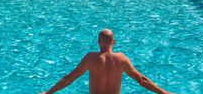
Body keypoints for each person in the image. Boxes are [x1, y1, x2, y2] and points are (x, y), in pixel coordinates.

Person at [41, 29, 171, 94]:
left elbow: (68, 79)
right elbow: (142, 80)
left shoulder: (90, 58)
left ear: (99, 42)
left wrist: (48, 92)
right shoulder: (121, 59)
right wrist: (164, 92)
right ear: (113, 42)